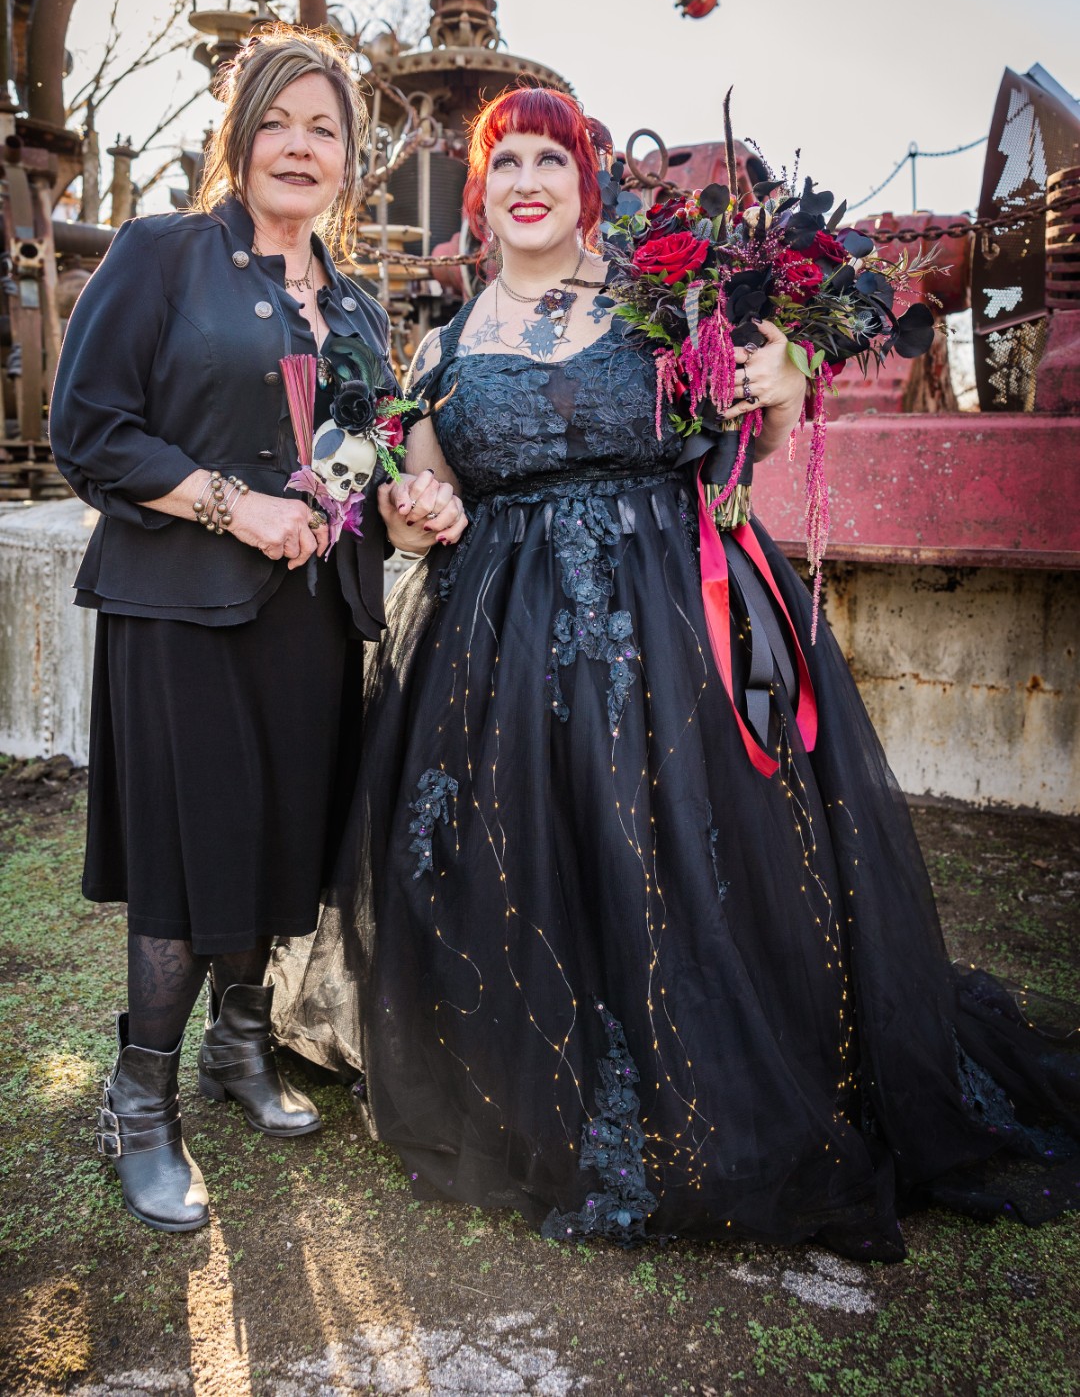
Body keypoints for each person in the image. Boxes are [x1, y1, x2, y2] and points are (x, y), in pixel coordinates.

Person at [275, 85, 1079, 1259]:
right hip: (495, 647)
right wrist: (411, 505)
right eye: (507, 163)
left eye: (554, 158)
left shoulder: (666, 305)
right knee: (534, 856)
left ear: (587, 188)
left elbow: (761, 406)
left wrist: (791, 376)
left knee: (677, 848)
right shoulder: (442, 348)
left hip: (668, 626)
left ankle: (709, 1063)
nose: (529, 179)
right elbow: (421, 503)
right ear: (481, 195)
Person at [48, 25, 466, 1234]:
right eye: (278, 119)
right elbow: (92, 431)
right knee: (190, 856)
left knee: (281, 845)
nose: (300, 144)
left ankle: (241, 1052)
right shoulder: (162, 253)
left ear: (349, 160)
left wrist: (405, 504)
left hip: (314, 619)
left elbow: (369, 459)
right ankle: (141, 1104)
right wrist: (235, 507)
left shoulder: (361, 310)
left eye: (324, 127)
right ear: (240, 137)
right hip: (181, 608)